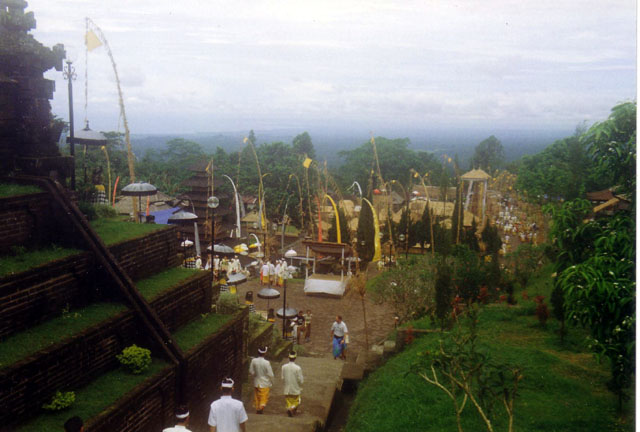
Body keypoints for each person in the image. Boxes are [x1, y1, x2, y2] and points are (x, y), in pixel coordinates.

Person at [248, 346, 274, 414]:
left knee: (257, 396)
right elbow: (270, 374)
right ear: (265, 353)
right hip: (265, 382)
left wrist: (255, 375)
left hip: (256, 381)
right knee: (264, 396)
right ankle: (260, 408)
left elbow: (251, 371)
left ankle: (258, 407)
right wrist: (271, 381)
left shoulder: (253, 361)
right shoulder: (266, 362)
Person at [282, 350, 304, 417]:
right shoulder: (298, 368)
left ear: (288, 357)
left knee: (288, 401)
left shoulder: (283, 367)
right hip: (295, 388)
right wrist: (300, 384)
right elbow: (300, 380)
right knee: (297, 400)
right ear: (295, 358)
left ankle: (290, 408)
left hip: (287, 388)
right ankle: (292, 408)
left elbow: (282, 377)